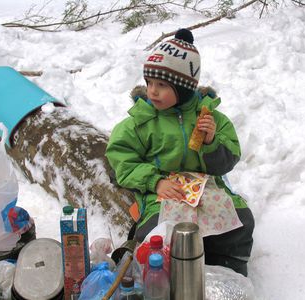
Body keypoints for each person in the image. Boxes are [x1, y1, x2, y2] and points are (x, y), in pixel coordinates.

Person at [106, 28, 254, 276]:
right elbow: (121, 160)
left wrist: (210, 141)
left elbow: (228, 160)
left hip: (206, 189)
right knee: (156, 233)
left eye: (162, 85)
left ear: (185, 87)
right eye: (149, 83)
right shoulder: (141, 122)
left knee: (240, 222)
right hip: (163, 192)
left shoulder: (209, 117)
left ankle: (226, 270)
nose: (152, 91)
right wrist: (155, 181)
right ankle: (161, 276)